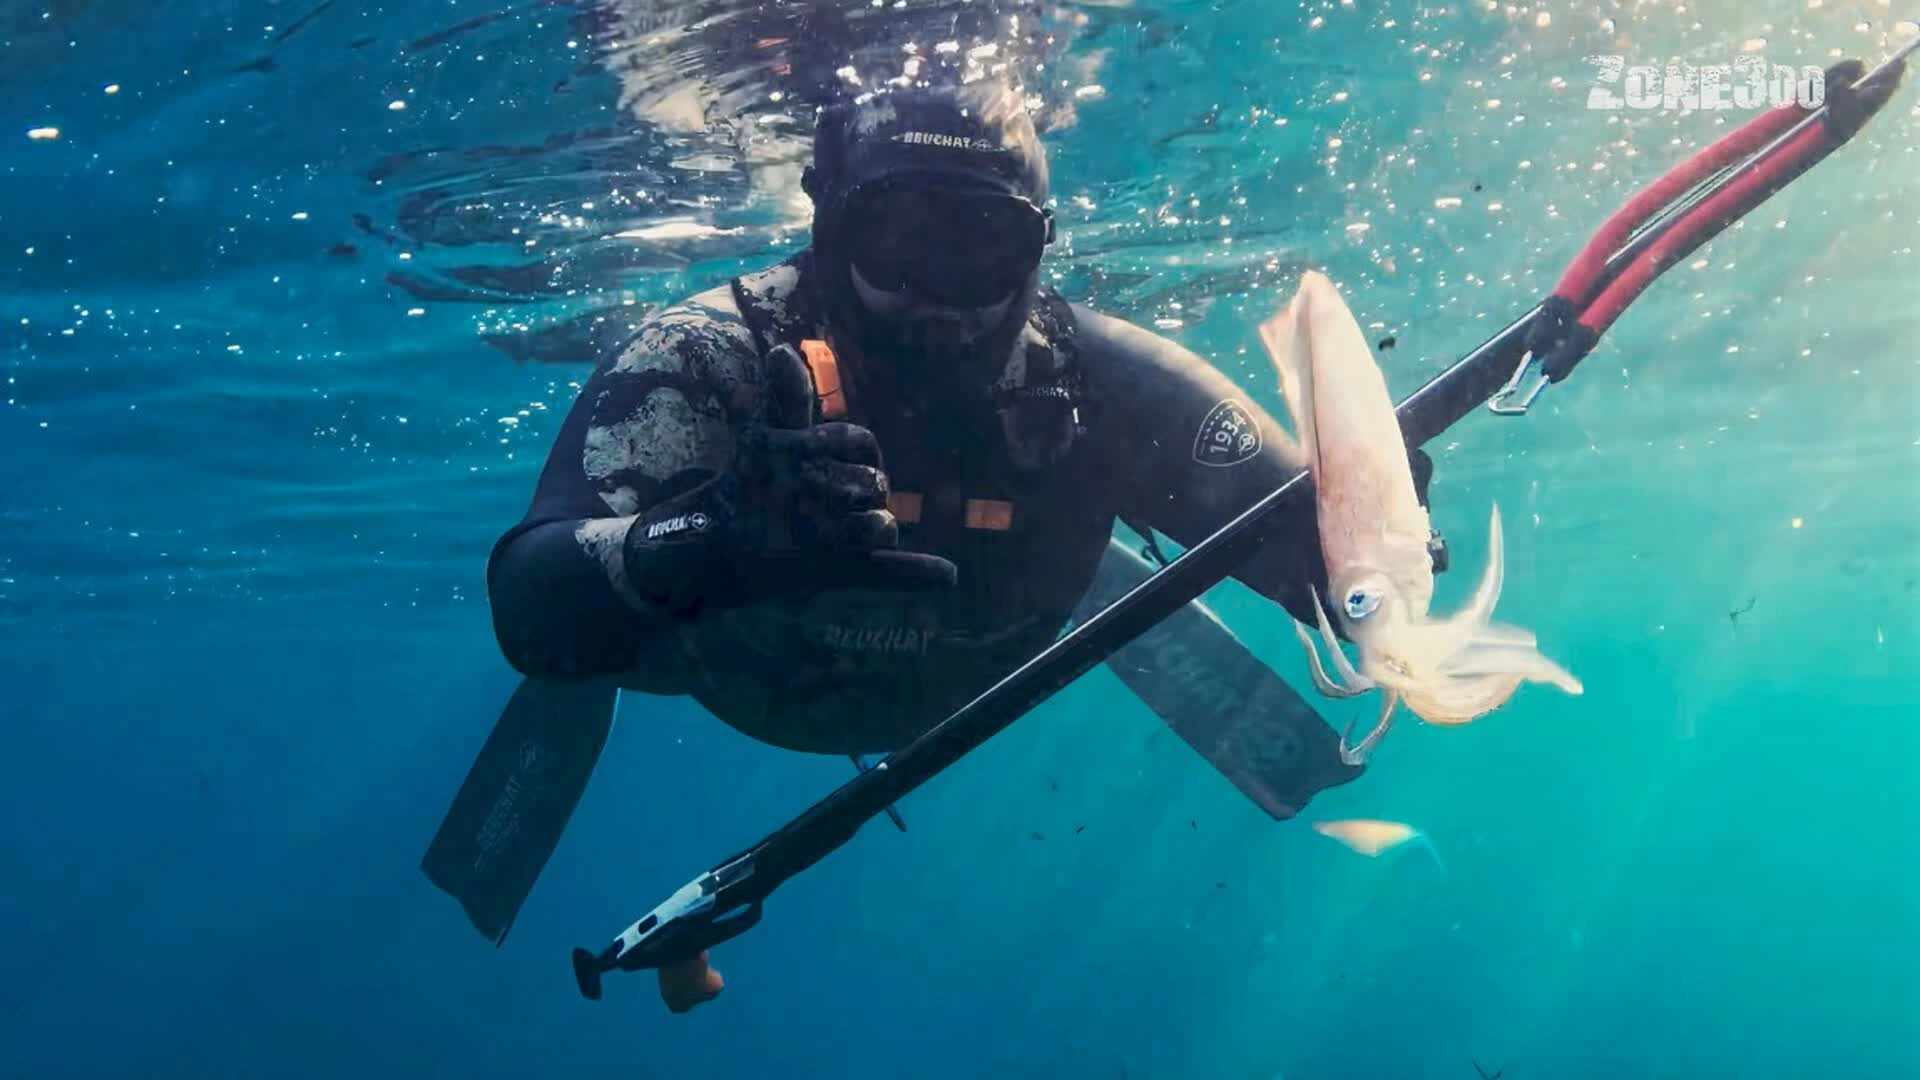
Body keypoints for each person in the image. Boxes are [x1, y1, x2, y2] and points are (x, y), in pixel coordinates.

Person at [475, 78, 1442, 1012]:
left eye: (982, 246)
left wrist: (1369, 529)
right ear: (827, 224)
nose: (941, 300)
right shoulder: (712, 361)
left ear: (1039, 248)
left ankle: (1073, 549)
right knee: (587, 616)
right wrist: (710, 541)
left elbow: (1324, 556)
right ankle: (643, 599)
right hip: (731, 661)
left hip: (931, 636)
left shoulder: (1106, 383)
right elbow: (528, 599)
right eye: (898, 243)